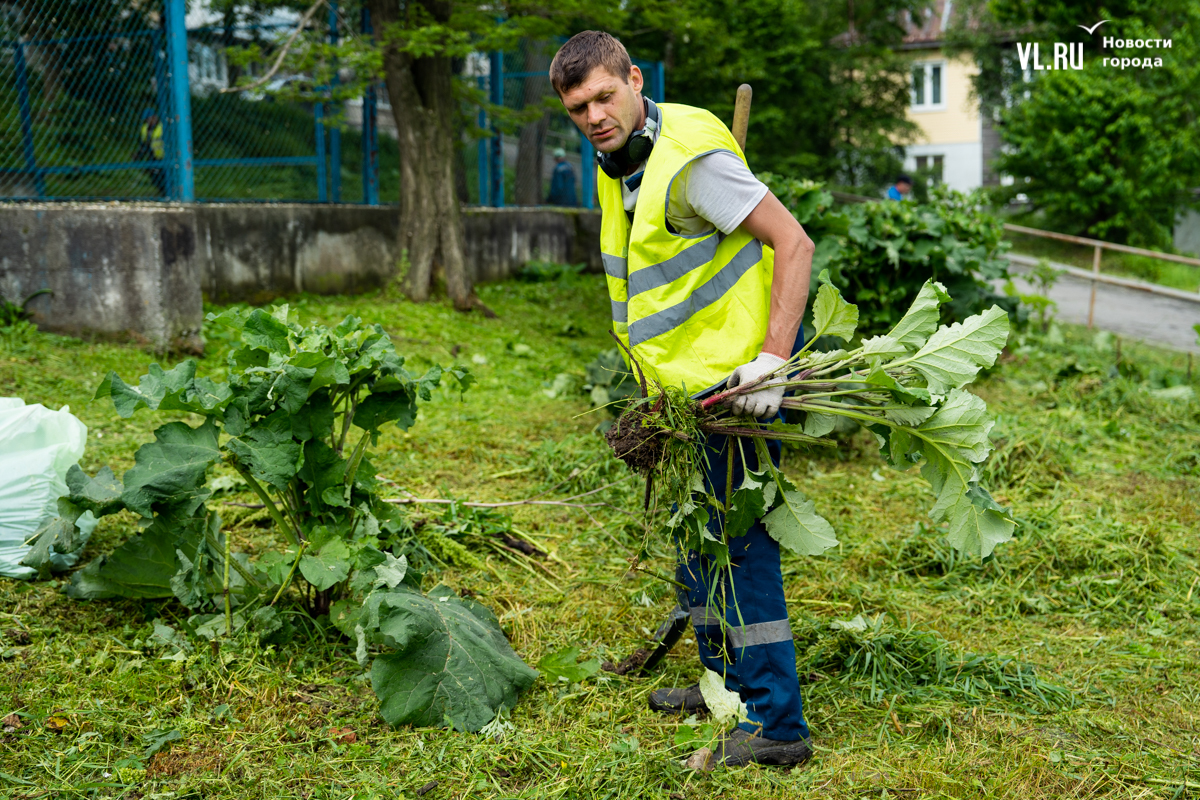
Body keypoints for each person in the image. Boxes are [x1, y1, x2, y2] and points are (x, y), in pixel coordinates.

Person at [551, 31, 816, 769]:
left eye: (606, 96)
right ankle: (721, 682)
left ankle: (777, 726)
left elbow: (793, 244)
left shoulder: (693, 164)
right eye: (579, 108)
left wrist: (773, 363)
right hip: (683, 395)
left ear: (635, 81)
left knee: (739, 544)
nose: (595, 115)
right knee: (696, 538)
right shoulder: (621, 165)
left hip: (738, 386)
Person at [136, 109, 166, 197]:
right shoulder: (145, 128)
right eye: (147, 119)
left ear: (155, 117)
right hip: (153, 156)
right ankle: (163, 193)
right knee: (154, 176)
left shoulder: (163, 127)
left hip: (164, 156)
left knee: (164, 176)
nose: (148, 121)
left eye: (150, 118)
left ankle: (167, 193)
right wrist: (139, 154)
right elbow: (144, 144)